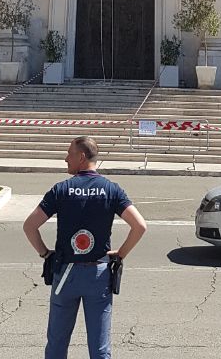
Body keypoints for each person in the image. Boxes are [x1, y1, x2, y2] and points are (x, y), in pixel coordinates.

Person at [23, 136, 147, 359]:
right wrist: (119, 255)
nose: (65, 159)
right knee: (99, 349)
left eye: (69, 154)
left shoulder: (61, 189)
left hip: (65, 274)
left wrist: (44, 253)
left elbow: (30, 226)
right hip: (98, 275)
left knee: (56, 345)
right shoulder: (111, 189)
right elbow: (139, 226)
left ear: (81, 157)